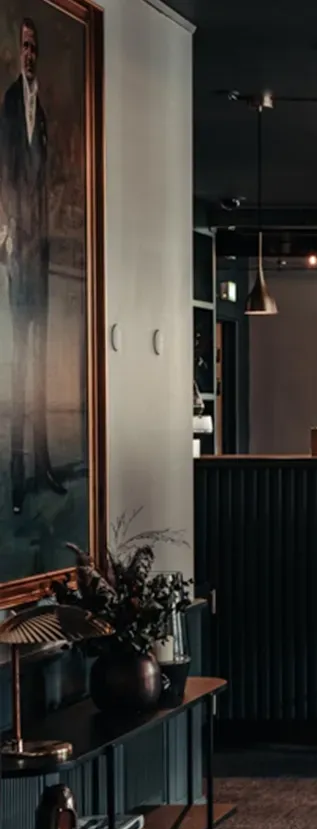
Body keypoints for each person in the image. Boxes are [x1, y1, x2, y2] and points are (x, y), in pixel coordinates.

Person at [1, 18, 62, 514]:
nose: (28, 54)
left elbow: (47, 180)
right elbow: (5, 172)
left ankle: (41, 463)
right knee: (20, 363)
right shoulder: (7, 105)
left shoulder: (41, 110)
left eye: (33, 47)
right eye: (23, 46)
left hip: (39, 248)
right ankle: (18, 474)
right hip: (17, 249)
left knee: (41, 360)